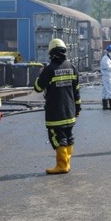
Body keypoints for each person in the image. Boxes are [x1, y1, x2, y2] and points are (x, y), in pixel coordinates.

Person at [33, 38, 81, 174]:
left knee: (58, 138)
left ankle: (62, 165)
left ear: (51, 53)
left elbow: (37, 87)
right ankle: (67, 163)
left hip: (55, 113)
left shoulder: (49, 70)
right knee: (69, 136)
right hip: (70, 111)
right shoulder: (72, 68)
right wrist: (78, 109)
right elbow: (76, 91)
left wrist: (41, 74)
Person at [100, 44, 111, 110]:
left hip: (109, 77)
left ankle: (105, 106)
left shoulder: (108, 58)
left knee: (105, 91)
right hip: (107, 77)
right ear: (108, 51)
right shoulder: (105, 59)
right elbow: (107, 67)